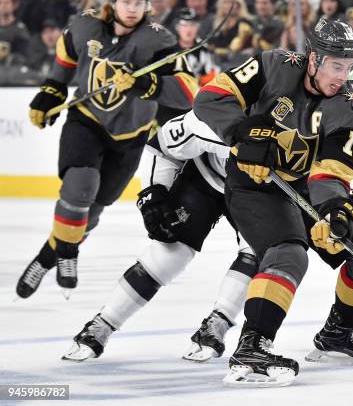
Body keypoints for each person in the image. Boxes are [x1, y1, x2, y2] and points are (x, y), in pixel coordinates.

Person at [193, 17, 353, 387]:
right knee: (288, 253)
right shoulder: (273, 66)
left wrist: (336, 211)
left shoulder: (350, 111)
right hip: (255, 186)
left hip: (305, 190)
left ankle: (337, 334)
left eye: (348, 67)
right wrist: (242, 133)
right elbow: (210, 97)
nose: (342, 77)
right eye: (335, 66)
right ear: (313, 59)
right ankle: (253, 346)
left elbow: (330, 174)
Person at [15, 0, 197, 300]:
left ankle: (46, 257)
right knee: (80, 188)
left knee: (93, 212)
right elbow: (65, 60)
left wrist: (148, 85)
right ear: (112, 2)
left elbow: (189, 91)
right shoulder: (84, 26)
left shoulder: (158, 39)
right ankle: (69, 252)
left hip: (132, 135)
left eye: (140, 2)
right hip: (86, 121)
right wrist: (51, 91)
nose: (132, 8)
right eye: (126, 1)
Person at [62, 110, 259, 362]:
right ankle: (102, 324)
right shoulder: (215, 115)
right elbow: (162, 144)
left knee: (257, 250)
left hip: (256, 191)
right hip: (205, 177)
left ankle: (218, 323)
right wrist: (154, 193)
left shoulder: (304, 121)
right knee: (169, 252)